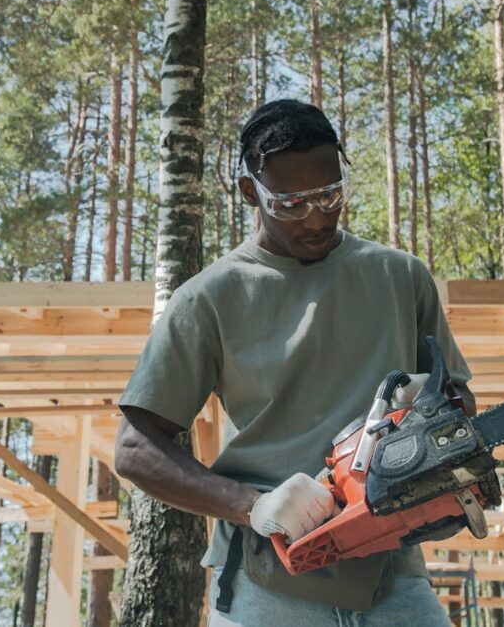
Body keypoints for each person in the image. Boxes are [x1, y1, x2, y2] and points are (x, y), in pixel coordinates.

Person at [115, 99, 476, 626]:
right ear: (249, 193)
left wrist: (425, 430)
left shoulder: (399, 277)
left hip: (392, 573)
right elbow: (134, 449)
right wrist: (251, 506)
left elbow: (457, 397)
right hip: (267, 585)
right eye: (290, 203)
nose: (316, 217)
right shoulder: (209, 299)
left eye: (330, 195)